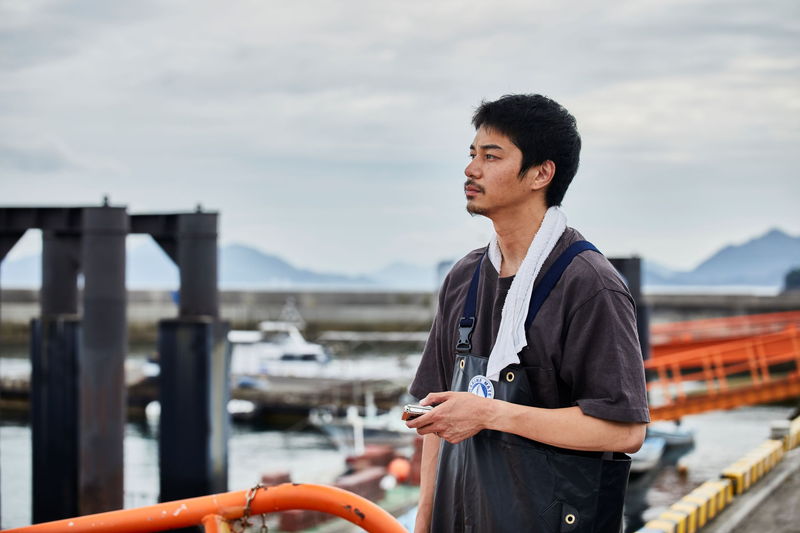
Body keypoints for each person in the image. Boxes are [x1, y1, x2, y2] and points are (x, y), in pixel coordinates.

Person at [405, 94, 650, 533]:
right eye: (472, 154)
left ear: (541, 172)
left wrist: (488, 413)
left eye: (491, 156)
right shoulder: (464, 277)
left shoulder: (589, 283)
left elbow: (624, 430)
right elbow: (437, 421)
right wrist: (423, 522)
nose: (471, 169)